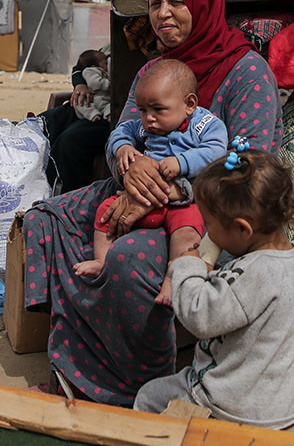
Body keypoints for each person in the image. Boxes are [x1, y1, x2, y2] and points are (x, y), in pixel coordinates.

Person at [22, 0, 283, 406]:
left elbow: (249, 161)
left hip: (207, 207)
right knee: (45, 219)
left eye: (176, 1)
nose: (163, 12)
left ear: (202, 4)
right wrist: (127, 160)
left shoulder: (245, 72)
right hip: (136, 186)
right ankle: (76, 368)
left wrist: (170, 188)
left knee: (127, 259)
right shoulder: (152, 71)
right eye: (155, 2)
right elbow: (122, 132)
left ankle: (135, 388)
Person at [133, 148, 294, 428]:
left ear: (243, 229)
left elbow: (200, 317)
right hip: (279, 403)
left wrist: (186, 268)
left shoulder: (255, 273)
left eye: (210, 223)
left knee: (149, 397)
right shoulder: (288, 259)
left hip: (235, 407)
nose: (207, 232)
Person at [75, 59, 228, 306]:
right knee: (105, 212)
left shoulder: (204, 125)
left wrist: (181, 162)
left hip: (183, 202)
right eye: (143, 110)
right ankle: (102, 261)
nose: (149, 119)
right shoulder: (146, 127)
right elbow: (121, 131)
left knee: (187, 235)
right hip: (143, 198)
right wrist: (123, 146)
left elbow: (216, 151)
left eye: (158, 110)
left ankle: (172, 281)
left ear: (189, 104)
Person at [41, 48, 112, 192]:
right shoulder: (108, 47)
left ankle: (68, 196)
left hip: (109, 112)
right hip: (87, 104)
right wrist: (80, 84)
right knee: (46, 122)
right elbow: (81, 66)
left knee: (69, 140)